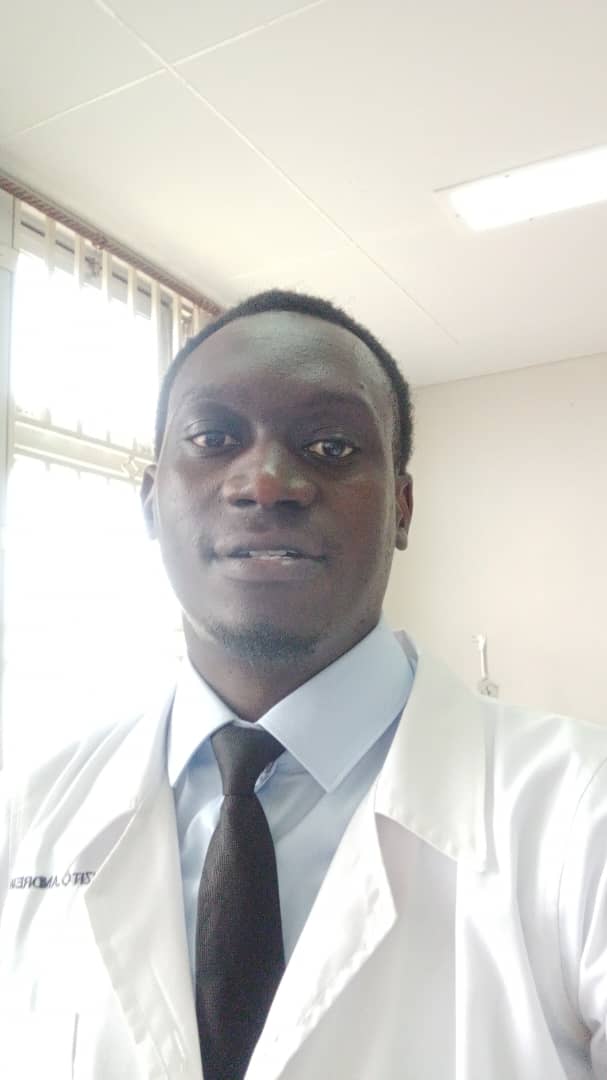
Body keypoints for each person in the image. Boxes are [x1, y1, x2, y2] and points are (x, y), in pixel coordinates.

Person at [1, 289, 606, 1080]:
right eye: (213, 438)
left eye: (329, 445)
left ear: (401, 508)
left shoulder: (582, 812)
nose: (266, 482)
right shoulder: (28, 814)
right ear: (150, 501)